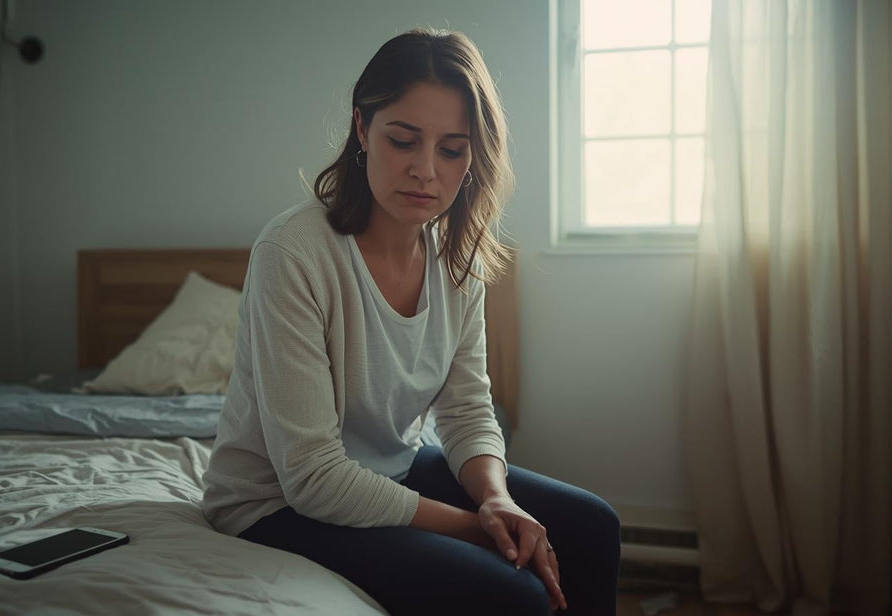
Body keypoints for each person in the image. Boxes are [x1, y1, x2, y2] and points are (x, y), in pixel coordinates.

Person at [202, 28, 620, 615]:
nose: (426, 170)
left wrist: (496, 499)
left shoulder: (459, 261)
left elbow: (466, 409)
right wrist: (477, 527)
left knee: (594, 527)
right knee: (513, 594)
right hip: (275, 504)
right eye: (403, 140)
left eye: (451, 149)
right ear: (362, 130)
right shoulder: (292, 252)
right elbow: (314, 478)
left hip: (392, 470)